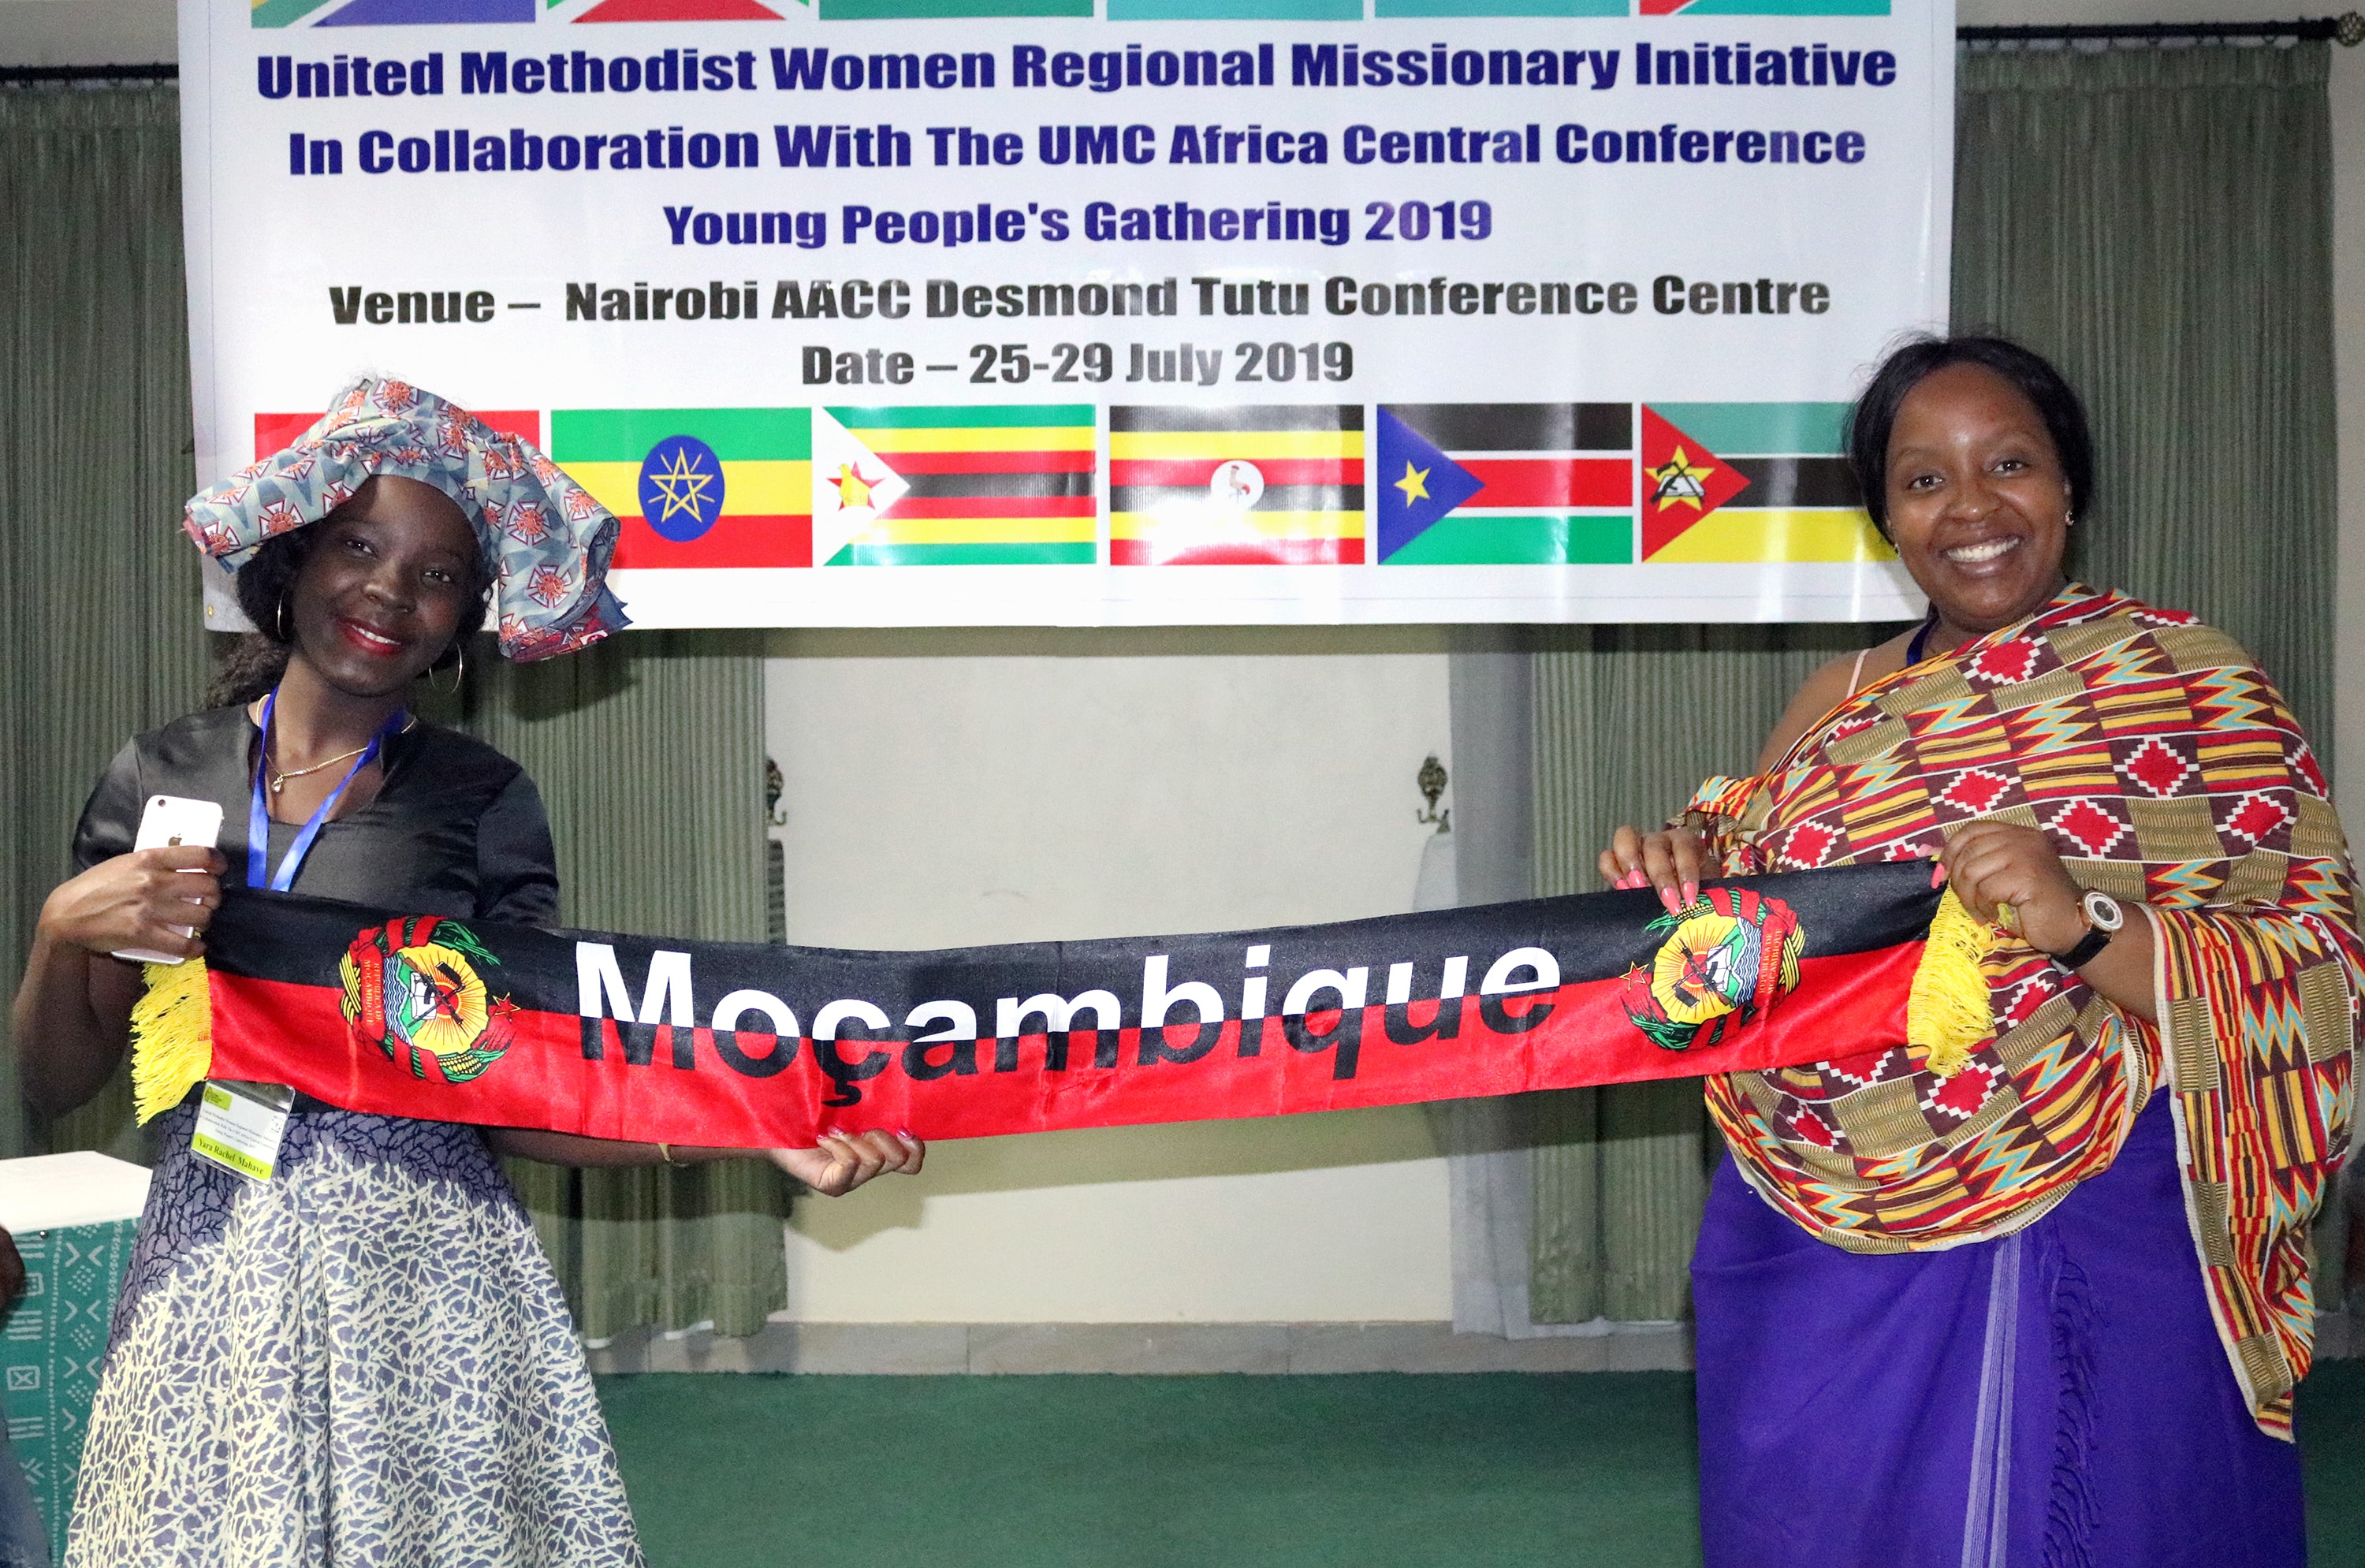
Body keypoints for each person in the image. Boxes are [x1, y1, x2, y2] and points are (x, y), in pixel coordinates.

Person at [12, 378, 924, 1566]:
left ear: (465, 622)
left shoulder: (479, 801)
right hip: (213, 1270)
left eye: (438, 574)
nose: (391, 589)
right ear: (292, 563)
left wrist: (754, 1124)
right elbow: (57, 1078)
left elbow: (532, 1084)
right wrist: (60, 929)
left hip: (424, 1271)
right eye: (359, 546)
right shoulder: (160, 776)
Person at [1600, 337, 2359, 1567]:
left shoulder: (2184, 684)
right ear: (1886, 518)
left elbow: (2308, 977)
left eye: (2010, 463)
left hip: (2097, 1191)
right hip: (1826, 1211)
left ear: (2070, 485)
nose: (1972, 510)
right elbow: (1757, 925)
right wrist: (1680, 869)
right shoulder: (1835, 699)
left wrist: (2079, 920)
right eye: (1924, 480)